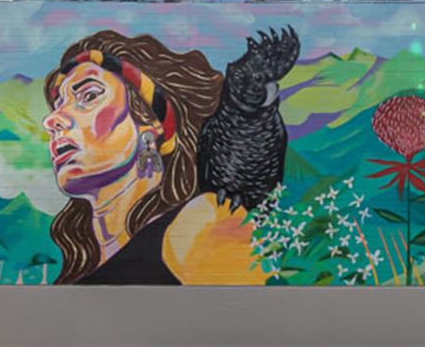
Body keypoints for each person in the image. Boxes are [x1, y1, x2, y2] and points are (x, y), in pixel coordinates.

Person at [41, 28, 298, 284]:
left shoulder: (205, 225)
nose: (52, 120)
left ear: (150, 127)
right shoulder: (83, 258)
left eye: (89, 96)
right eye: (58, 104)